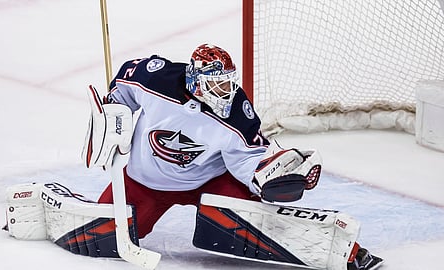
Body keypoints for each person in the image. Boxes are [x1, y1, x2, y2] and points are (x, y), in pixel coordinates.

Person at [82, 43, 382, 270]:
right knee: (98, 238)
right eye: (216, 84)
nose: (225, 90)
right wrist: (114, 109)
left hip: (208, 182)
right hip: (142, 181)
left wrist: (265, 179)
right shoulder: (157, 79)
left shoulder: (238, 111)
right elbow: (125, 79)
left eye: (228, 82)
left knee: (255, 220)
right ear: (196, 80)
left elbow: (245, 159)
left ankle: (347, 251)